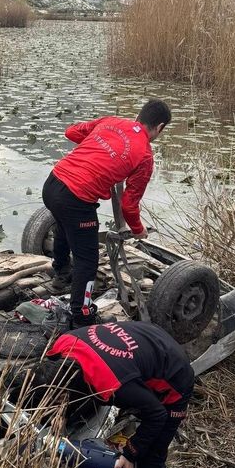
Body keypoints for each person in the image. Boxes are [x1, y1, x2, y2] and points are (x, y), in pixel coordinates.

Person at [42, 100, 171, 326]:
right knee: (87, 260)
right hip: (76, 199)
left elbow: (71, 132)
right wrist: (139, 231)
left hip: (52, 184)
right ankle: (81, 316)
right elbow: (129, 205)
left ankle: (61, 275)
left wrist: (100, 148)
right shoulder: (145, 156)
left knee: (63, 228)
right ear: (159, 127)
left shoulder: (111, 122)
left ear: (139, 115)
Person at [39, 321, 194, 468]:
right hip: (146, 336)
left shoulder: (114, 384)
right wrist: (63, 415)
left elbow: (157, 414)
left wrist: (130, 454)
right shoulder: (65, 342)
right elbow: (72, 389)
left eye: (60, 398)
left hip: (176, 374)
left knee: (152, 457)